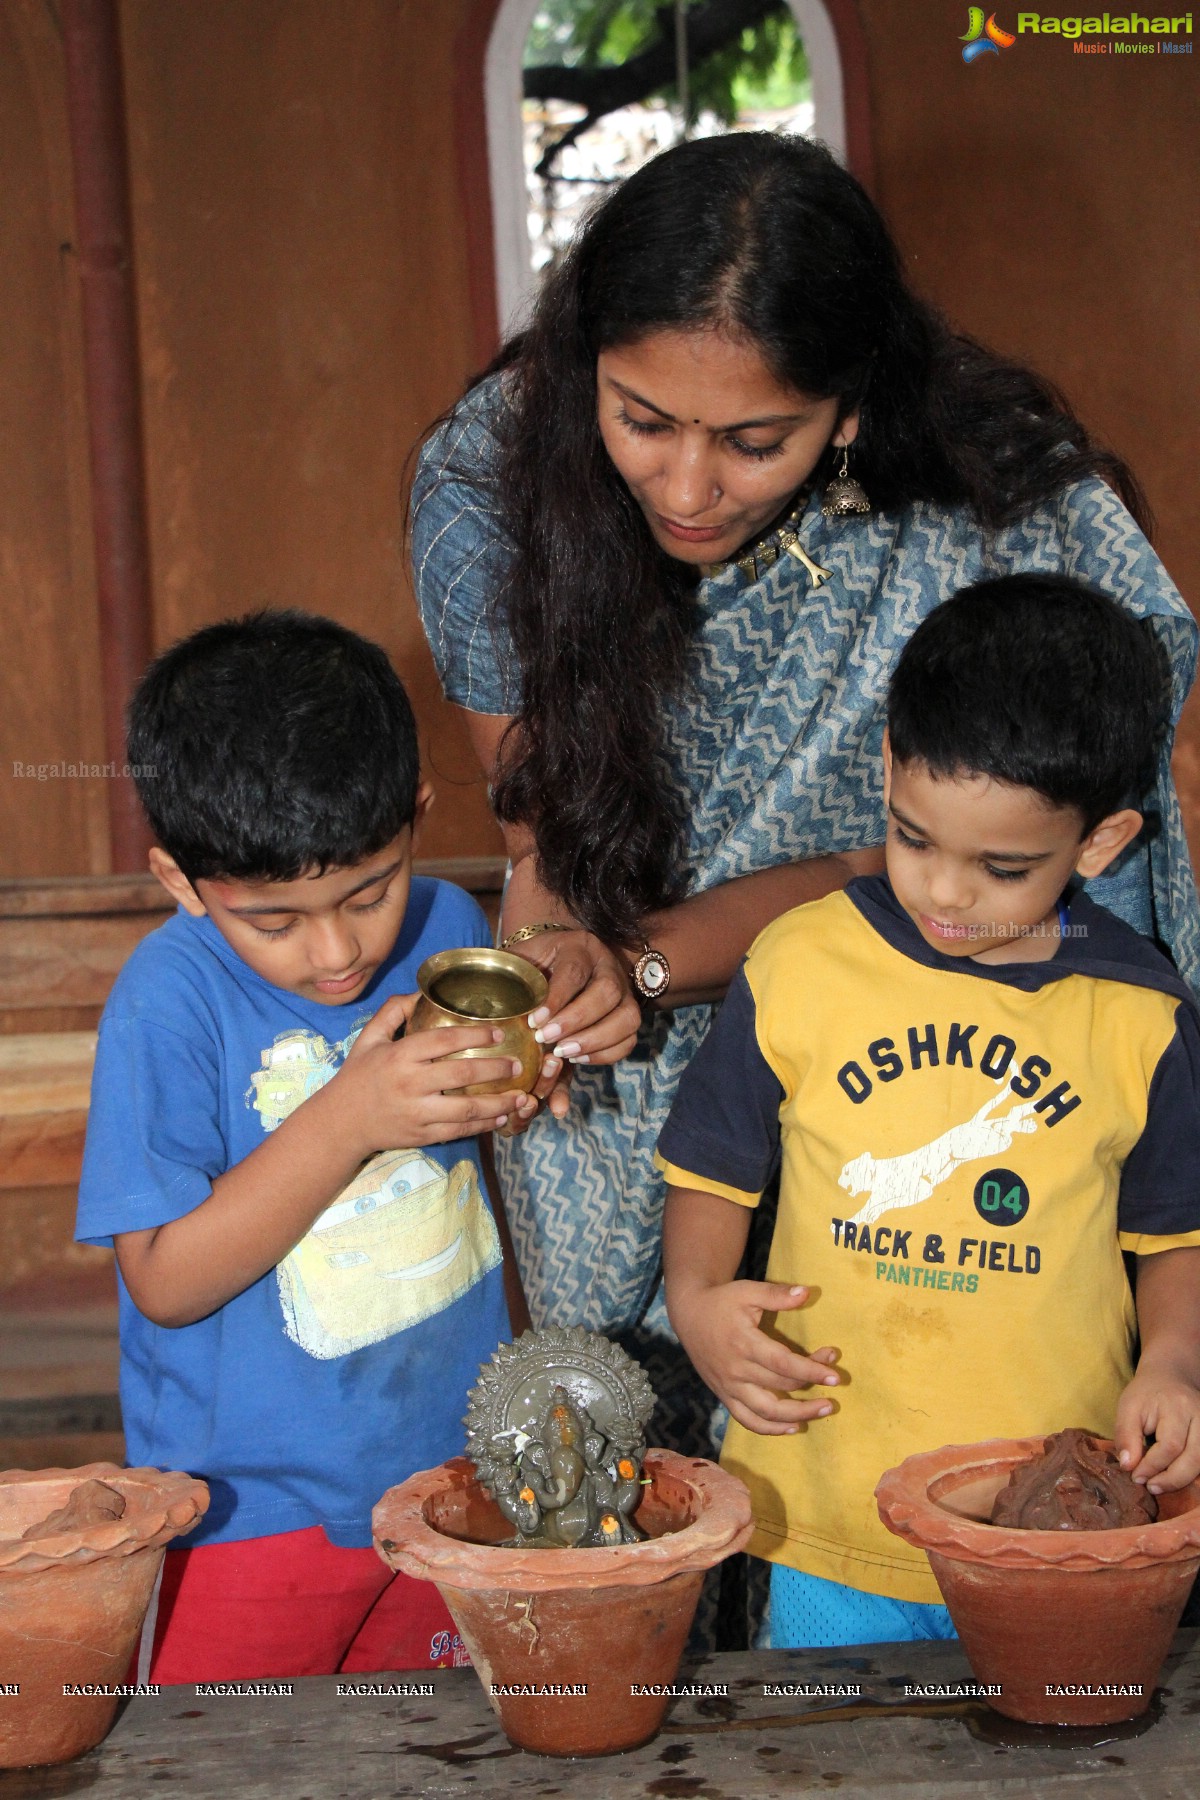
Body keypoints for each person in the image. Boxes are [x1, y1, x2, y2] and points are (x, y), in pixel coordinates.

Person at [410, 131, 1200, 1471]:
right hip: (631, 1045)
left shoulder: (991, 506)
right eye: (641, 420)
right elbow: (543, 823)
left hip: (936, 1051)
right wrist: (569, 975)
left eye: (755, 440)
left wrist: (653, 963)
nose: (688, 486)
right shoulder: (491, 484)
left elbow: (986, 852)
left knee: (930, 1419)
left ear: (849, 411)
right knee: (639, 1458)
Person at [657, 574, 1200, 1648]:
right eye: (913, 838)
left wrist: (1176, 1360)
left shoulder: (1139, 1013)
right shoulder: (802, 960)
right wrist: (698, 1298)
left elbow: (1173, 1232)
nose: (946, 894)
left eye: (1003, 868)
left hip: (1053, 1521)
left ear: (1099, 844)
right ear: (889, 764)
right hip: (833, 1501)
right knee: (828, 1752)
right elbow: (711, 1169)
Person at [76, 611, 532, 1681]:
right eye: (274, 921)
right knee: (238, 1764)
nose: (335, 951)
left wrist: (523, 1092)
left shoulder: (450, 933)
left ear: (417, 816)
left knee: (433, 1756)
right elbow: (166, 1280)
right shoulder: (169, 1000)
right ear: (182, 883)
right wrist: (350, 1117)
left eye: (367, 893)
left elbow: (480, 1175)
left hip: (444, 1481)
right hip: (246, 1513)